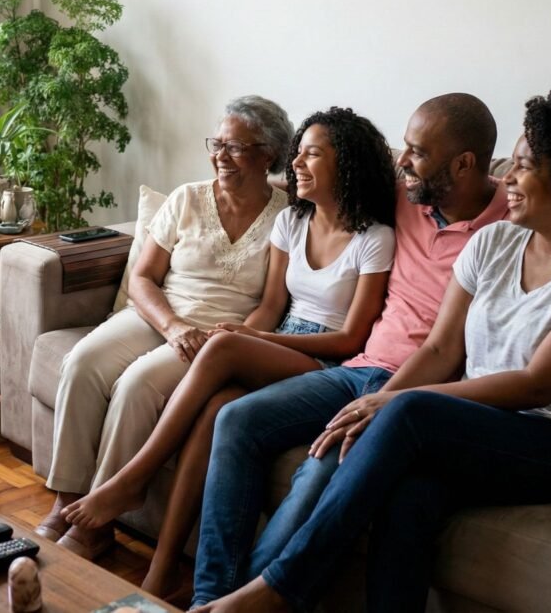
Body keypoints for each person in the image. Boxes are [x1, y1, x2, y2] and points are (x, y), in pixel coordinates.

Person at [194, 90, 551, 612]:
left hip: (549, 439)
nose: (509, 179)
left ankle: (278, 589)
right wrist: (373, 404)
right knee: (410, 495)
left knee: (411, 410)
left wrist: (394, 403)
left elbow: (539, 384)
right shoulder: (495, 242)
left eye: (524, 167)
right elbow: (439, 346)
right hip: (467, 421)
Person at [60, 108, 398, 595]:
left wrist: (256, 340)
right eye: (297, 152)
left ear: (346, 165)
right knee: (216, 413)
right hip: (278, 341)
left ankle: (135, 475)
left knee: (221, 347)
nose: (296, 164)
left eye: (311, 154)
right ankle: (165, 571)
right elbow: (274, 305)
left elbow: (350, 341)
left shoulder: (374, 239)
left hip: (327, 359)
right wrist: (250, 335)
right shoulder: (292, 221)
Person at [190, 91, 508, 607]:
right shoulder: (409, 193)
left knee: (320, 465)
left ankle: (244, 601)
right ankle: (210, 595)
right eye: (404, 148)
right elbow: (344, 157)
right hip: (357, 368)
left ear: (464, 165)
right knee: (236, 420)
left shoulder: (513, 223)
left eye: (417, 152)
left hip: (419, 390)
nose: (403, 161)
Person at [36, 96, 294, 559]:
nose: (220, 156)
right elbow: (141, 278)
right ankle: (68, 500)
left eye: (235, 147)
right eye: (217, 144)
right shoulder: (187, 198)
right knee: (83, 362)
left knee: (136, 385)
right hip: (160, 315)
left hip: (218, 337)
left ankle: (103, 513)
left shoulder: (287, 216)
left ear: (268, 154)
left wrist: (235, 339)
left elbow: (272, 304)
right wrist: (172, 325)